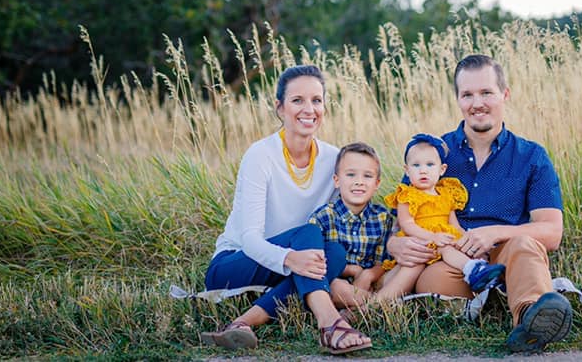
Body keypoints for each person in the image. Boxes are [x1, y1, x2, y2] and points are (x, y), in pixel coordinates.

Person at [386, 54, 572, 353]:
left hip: (506, 253)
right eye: (467, 95)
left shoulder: (531, 156)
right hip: (450, 260)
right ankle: (500, 298)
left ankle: (529, 319)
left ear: (504, 94)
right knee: (429, 279)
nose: (477, 103)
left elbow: (551, 232)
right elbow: (399, 221)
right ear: (458, 100)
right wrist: (395, 244)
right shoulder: (433, 153)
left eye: (486, 92)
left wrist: (495, 233)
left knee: (525, 246)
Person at [199, 65, 372, 355]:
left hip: (289, 264)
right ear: (279, 108)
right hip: (235, 264)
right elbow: (250, 239)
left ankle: (241, 323)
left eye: (317, 100)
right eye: (297, 101)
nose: (309, 109)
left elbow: (360, 203)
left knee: (336, 254)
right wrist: (291, 258)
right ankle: (330, 323)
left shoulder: (333, 158)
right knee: (309, 233)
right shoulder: (260, 155)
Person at [376, 133, 506, 301]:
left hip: (442, 238)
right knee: (440, 252)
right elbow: (406, 224)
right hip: (420, 240)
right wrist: (432, 236)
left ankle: (483, 273)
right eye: (416, 165)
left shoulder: (446, 193)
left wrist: (466, 242)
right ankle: (472, 270)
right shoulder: (407, 195)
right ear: (407, 171)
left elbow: (455, 226)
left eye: (430, 165)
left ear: (442, 169)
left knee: (454, 247)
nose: (423, 170)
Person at [307, 142, 395, 306]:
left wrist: (368, 275)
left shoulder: (383, 218)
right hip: (336, 282)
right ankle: (374, 305)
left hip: (371, 282)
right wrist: (352, 270)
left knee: (396, 274)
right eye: (351, 175)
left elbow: (382, 263)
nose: (359, 182)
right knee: (334, 287)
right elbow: (314, 264)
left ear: (377, 184)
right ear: (337, 180)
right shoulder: (323, 217)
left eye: (367, 176)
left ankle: (362, 305)